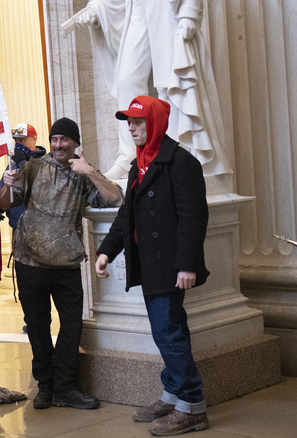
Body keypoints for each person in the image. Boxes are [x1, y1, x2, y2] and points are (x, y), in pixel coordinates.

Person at [95, 95, 209, 436]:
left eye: (138, 121)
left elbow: (193, 218)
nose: (131, 128)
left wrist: (186, 265)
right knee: (167, 331)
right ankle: (173, 393)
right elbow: (125, 216)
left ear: (156, 122)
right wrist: (107, 251)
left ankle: (192, 406)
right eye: (128, 122)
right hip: (150, 265)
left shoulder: (181, 162)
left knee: (169, 333)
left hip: (172, 267)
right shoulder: (138, 164)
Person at [0, 117, 123, 411]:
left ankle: (66, 387)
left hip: (66, 262)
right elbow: (5, 204)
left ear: (75, 142)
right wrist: (7, 185)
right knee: (38, 326)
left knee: (71, 325)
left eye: (64, 140)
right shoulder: (33, 166)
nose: (58, 145)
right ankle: (46, 387)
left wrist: (90, 171)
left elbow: (114, 198)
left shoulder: (83, 173)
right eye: (54, 139)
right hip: (29, 261)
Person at [71, 0, 230, 179]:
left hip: (164, 9)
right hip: (136, 10)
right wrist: (96, 9)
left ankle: (174, 156)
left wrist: (189, 13)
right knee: (127, 81)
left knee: (171, 84)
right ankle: (128, 156)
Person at [0, 123, 47, 322]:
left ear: (34, 139)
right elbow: (1, 198)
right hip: (19, 232)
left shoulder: (47, 162)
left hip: (42, 232)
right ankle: (29, 319)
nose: (19, 144)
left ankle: (41, 319)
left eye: (23, 140)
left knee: (43, 281)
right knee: (26, 283)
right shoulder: (12, 163)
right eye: (16, 141)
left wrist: (26, 166)